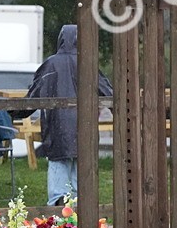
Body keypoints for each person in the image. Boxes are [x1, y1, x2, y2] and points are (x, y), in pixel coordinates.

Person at [21, 25, 112, 205]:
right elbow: (107, 91)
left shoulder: (50, 64)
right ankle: (82, 219)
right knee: (82, 180)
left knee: (58, 180)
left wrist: (15, 113)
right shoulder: (87, 62)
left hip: (57, 128)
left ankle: (58, 221)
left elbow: (33, 96)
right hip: (84, 128)